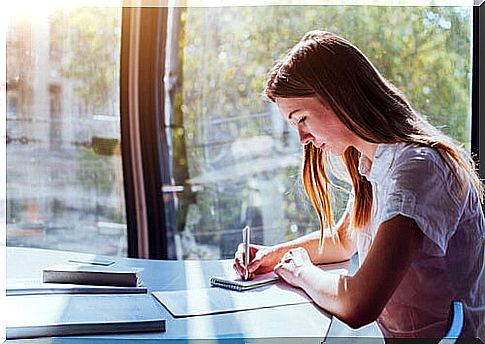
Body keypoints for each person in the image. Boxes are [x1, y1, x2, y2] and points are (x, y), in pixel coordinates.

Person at [233, 30, 484, 340]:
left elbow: (357, 304)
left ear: (339, 99)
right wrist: (271, 256)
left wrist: (300, 271)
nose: (303, 138)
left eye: (302, 119)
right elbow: (341, 240)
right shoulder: (374, 164)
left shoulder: (418, 171)